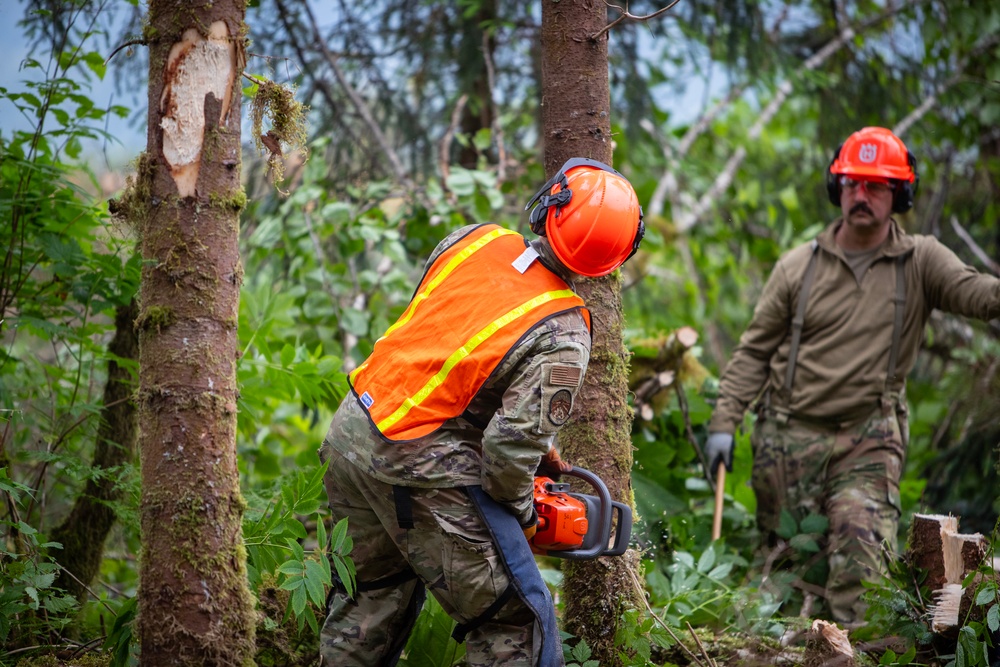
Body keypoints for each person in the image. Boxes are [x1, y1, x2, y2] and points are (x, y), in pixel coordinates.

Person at [317, 157, 644, 666]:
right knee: (515, 621)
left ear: (548, 208)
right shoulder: (565, 331)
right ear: (613, 260)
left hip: (352, 432)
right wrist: (525, 518)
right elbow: (507, 452)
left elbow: (455, 350)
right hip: (418, 463)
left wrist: (544, 453)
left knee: (371, 598)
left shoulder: (474, 239)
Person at [704, 126, 1000, 624]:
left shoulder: (921, 261)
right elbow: (754, 352)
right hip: (788, 439)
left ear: (899, 193)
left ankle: (853, 652)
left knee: (860, 567)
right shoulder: (798, 266)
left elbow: (978, 293)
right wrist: (722, 423)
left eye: (876, 185)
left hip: (867, 439)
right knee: (789, 570)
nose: (861, 196)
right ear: (836, 189)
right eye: (852, 184)